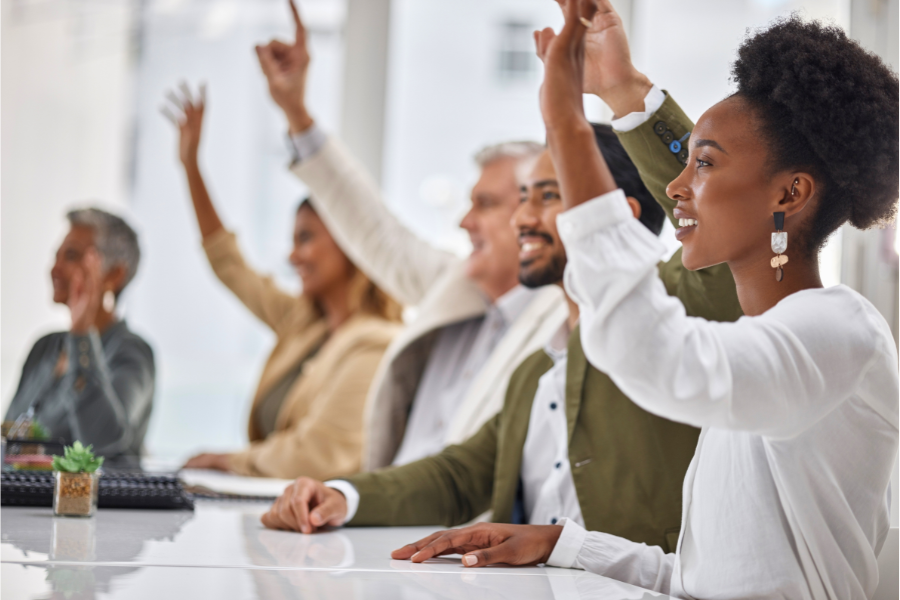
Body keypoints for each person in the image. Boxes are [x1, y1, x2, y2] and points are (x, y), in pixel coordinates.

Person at [396, 3, 899, 599]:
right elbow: (701, 581)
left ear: (790, 193)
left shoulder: (840, 331)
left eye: (703, 163)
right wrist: (565, 543)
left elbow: (658, 355)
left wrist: (567, 127)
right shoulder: (764, 347)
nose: (677, 186)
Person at [258, 124, 743, 550]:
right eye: (523, 197)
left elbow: (713, 206)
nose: (521, 218)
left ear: (622, 215)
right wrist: (342, 496)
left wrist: (628, 94)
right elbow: (459, 474)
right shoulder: (537, 368)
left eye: (547, 196)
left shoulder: (677, 323)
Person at [254, 0, 567, 471]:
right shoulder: (455, 284)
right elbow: (374, 230)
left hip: (457, 540)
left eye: (484, 204)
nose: (465, 222)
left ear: (538, 211)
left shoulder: (562, 320)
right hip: (382, 520)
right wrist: (297, 113)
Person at [163, 86, 403, 480]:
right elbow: (230, 265)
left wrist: (230, 461)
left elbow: (314, 456)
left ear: (349, 244)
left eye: (306, 239)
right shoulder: (303, 322)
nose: (293, 256)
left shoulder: (377, 343)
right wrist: (191, 165)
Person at [4, 208, 154, 461]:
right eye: (56, 256)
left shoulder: (131, 351)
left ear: (115, 274)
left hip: (90, 501)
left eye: (71, 256)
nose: (55, 268)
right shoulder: (46, 346)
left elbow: (104, 442)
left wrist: (82, 334)